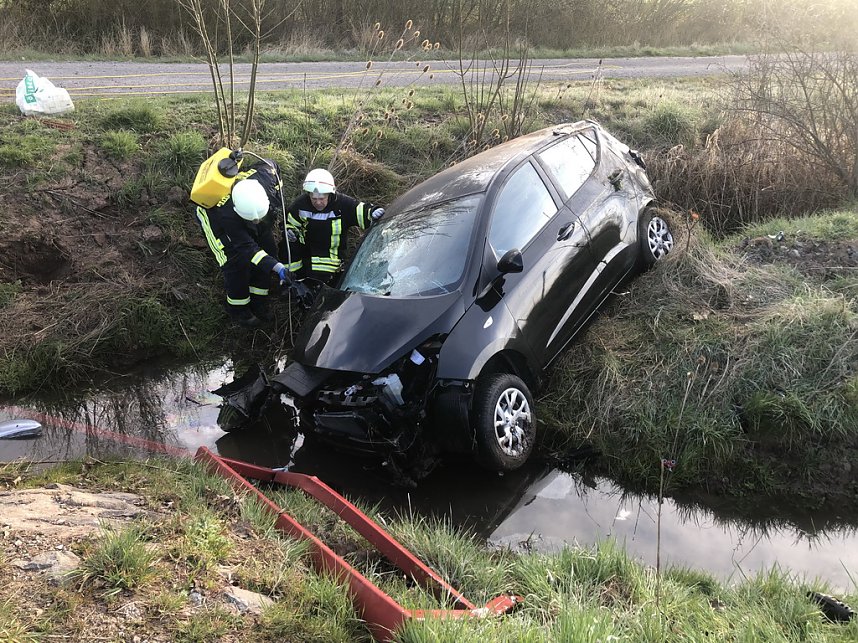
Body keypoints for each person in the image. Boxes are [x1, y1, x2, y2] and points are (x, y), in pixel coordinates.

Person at [194, 160, 291, 328]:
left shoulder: (267, 175)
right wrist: (278, 268)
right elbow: (246, 247)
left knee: (269, 252)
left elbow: (273, 165)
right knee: (235, 263)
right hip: (213, 218)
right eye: (253, 220)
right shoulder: (226, 214)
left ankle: (259, 301)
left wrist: (272, 261)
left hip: (252, 211)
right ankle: (239, 311)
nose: (257, 221)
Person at [282, 168, 385, 287]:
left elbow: (360, 210)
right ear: (308, 194)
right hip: (307, 254)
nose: (318, 203)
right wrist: (290, 231)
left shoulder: (342, 204)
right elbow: (290, 222)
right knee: (286, 246)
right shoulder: (300, 204)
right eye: (314, 199)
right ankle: (293, 282)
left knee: (323, 286)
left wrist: (372, 212)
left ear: (329, 194)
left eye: (321, 199)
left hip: (331, 258)